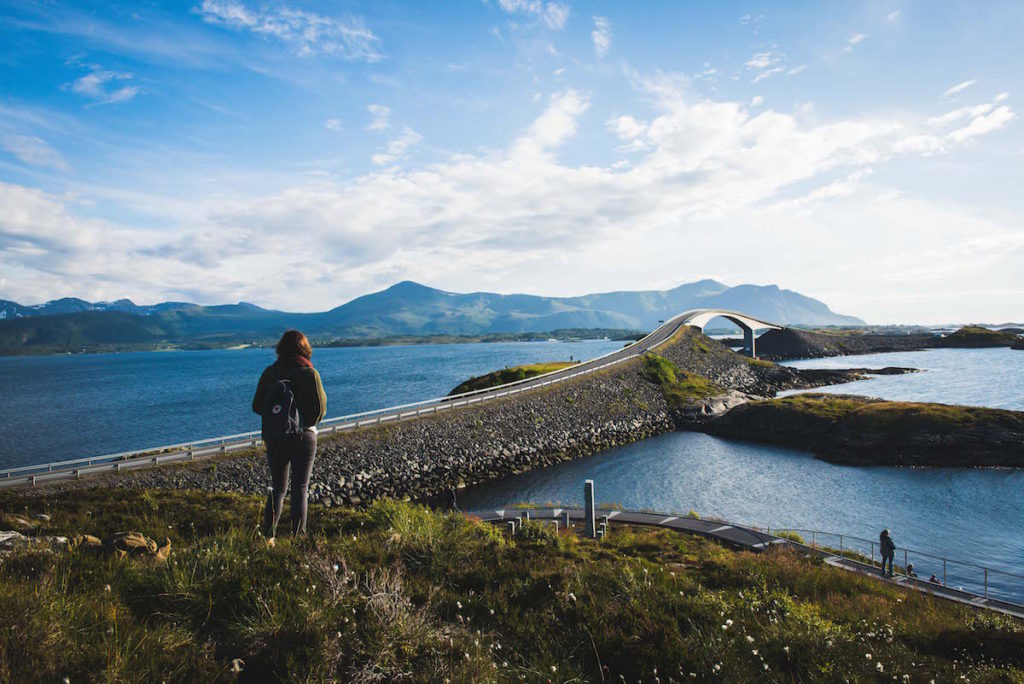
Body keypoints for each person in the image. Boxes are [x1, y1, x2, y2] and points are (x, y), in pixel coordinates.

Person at [252, 330, 327, 537]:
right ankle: (298, 538)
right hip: (304, 436)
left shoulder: (270, 372)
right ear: (305, 349)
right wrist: (302, 421)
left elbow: (257, 406)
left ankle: (268, 537)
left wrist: (278, 417)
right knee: (300, 489)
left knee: (278, 489)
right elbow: (320, 411)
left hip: (275, 436)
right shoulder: (310, 373)